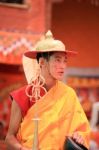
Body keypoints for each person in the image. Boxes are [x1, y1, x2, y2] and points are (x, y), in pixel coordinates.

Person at [5, 31, 91, 150]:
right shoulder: (23, 96)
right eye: (57, 60)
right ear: (42, 62)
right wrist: (22, 149)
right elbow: (9, 137)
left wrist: (79, 136)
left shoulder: (68, 94)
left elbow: (81, 130)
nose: (63, 65)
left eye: (65, 60)